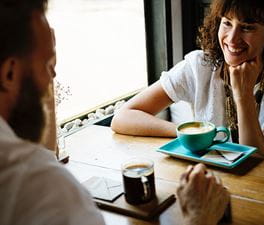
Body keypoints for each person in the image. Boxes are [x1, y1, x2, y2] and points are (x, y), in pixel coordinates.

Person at [0, 0, 229, 225]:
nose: (53, 80)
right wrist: (199, 218)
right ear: (9, 73)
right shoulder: (42, 188)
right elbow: (123, 116)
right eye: (48, 66)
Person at [111, 0, 264, 176]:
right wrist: (192, 134)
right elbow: (123, 117)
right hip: (210, 176)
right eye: (227, 23)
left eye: (247, 27)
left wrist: (243, 97)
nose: (232, 38)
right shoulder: (200, 66)